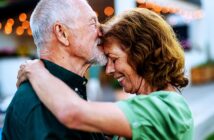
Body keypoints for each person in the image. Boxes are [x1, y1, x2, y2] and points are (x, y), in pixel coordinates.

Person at [16, 8, 194, 140]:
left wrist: (36, 71)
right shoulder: (150, 105)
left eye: (114, 59)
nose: (108, 70)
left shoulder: (168, 109)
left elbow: (72, 113)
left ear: (142, 54)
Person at [2, 0, 107, 139]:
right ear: (62, 33)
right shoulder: (39, 106)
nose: (102, 31)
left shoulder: (68, 90)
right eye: (93, 23)